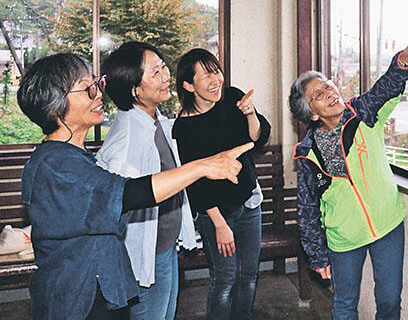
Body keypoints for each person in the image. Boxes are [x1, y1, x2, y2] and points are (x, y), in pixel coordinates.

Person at [17, 53, 250, 320]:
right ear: (56, 105)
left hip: (102, 288)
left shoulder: (74, 156)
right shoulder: (55, 164)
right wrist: (201, 166)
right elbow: (128, 193)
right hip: (76, 299)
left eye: (98, 85)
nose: (98, 96)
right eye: (88, 88)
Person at [289, 21, 408, 320]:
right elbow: (307, 208)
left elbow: (388, 85)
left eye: (328, 84)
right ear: (311, 113)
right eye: (318, 93)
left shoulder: (362, 113)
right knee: (344, 306)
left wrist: (407, 53)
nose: (329, 91)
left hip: (388, 225)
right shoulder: (307, 154)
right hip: (344, 238)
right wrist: (316, 255)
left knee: (390, 301)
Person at [96, 41, 196, 320]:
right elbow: (116, 201)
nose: (166, 76)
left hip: (164, 245)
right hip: (145, 254)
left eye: (164, 67)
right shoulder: (128, 137)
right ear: (134, 89)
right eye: (156, 72)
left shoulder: (153, 119)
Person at [172, 48, 271, 320]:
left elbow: (256, 140)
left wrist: (250, 114)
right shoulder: (184, 127)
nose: (215, 79)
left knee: (249, 275)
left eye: (216, 71)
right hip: (217, 213)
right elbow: (195, 184)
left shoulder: (233, 99)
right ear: (188, 85)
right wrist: (219, 224)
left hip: (249, 202)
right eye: (206, 75)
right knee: (225, 279)